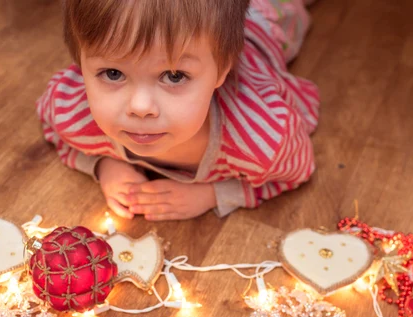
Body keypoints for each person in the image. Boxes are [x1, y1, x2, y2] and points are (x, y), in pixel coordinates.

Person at [37, 0, 319, 221]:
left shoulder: (261, 141)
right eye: (112, 73)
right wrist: (103, 165)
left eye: (174, 76)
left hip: (266, 24)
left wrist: (213, 194)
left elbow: (299, 169)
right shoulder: (72, 111)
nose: (140, 107)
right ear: (79, 63)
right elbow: (51, 125)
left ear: (222, 70)